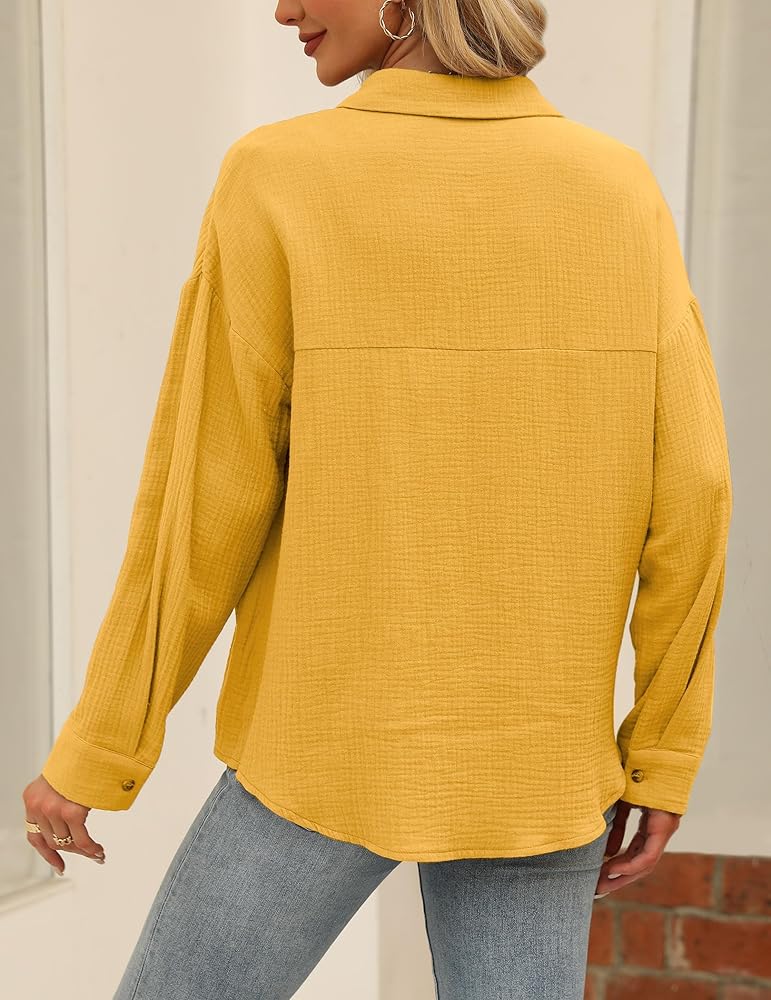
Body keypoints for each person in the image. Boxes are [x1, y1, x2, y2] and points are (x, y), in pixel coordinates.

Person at [22, 1, 734, 997]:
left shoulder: (279, 175)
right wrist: (661, 752)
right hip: (538, 766)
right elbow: (694, 491)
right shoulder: (619, 188)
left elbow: (203, 500)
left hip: (323, 748)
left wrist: (100, 747)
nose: (284, 9)